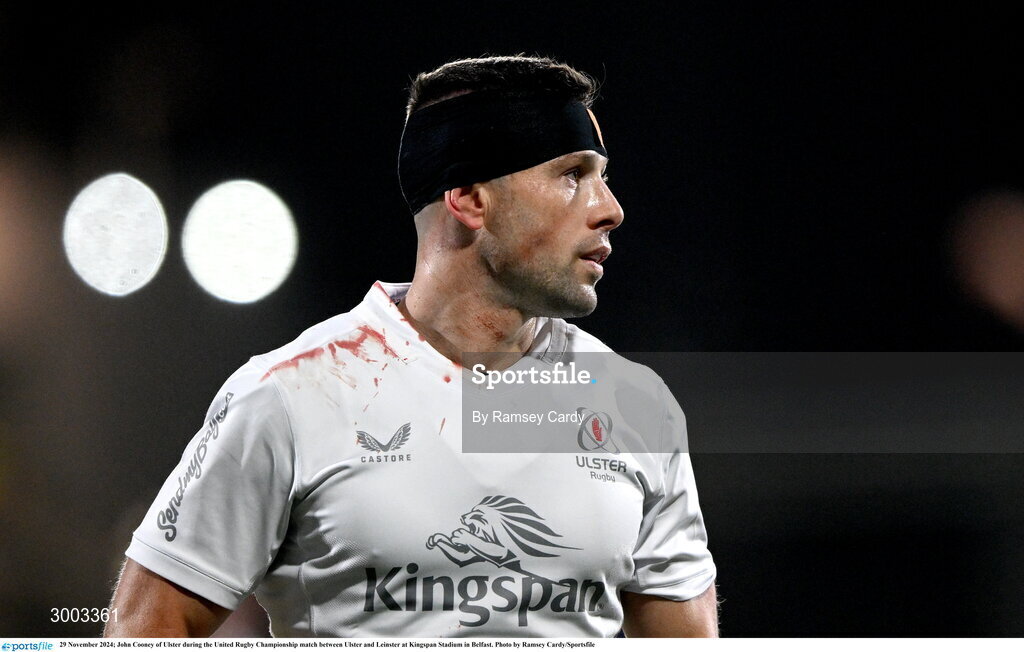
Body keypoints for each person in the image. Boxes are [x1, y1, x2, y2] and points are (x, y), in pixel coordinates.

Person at [104, 55, 718, 638]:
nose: (610, 209)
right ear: (469, 198)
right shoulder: (291, 395)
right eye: (572, 176)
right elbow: (147, 627)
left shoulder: (636, 406)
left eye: (602, 178)